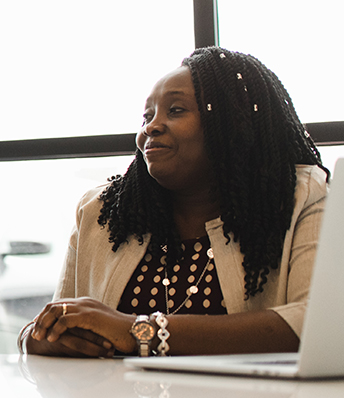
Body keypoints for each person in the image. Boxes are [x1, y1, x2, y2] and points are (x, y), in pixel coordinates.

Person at [23, 47, 328, 357]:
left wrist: (140, 332)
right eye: (147, 116)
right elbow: (50, 322)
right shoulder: (100, 212)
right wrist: (39, 339)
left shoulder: (299, 196)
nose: (151, 127)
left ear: (232, 122)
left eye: (176, 110)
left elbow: (317, 322)